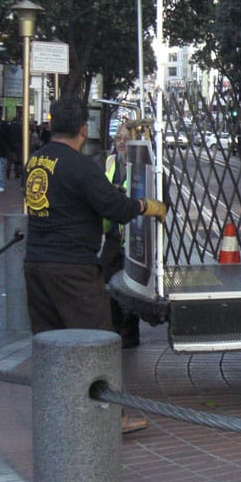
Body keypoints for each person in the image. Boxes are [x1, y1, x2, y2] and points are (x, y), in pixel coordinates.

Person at [23, 98, 167, 434]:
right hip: (72, 269)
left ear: (51, 124)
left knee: (49, 341)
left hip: (36, 264)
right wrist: (149, 206)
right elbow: (114, 207)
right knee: (97, 341)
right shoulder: (79, 165)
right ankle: (108, 419)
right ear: (84, 130)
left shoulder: (36, 161)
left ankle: (57, 410)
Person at [99, 123, 140, 348]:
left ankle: (129, 334)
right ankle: (115, 329)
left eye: (126, 138)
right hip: (113, 236)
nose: (121, 142)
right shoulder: (110, 162)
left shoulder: (144, 165)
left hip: (134, 238)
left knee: (130, 287)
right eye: (118, 138)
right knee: (107, 282)